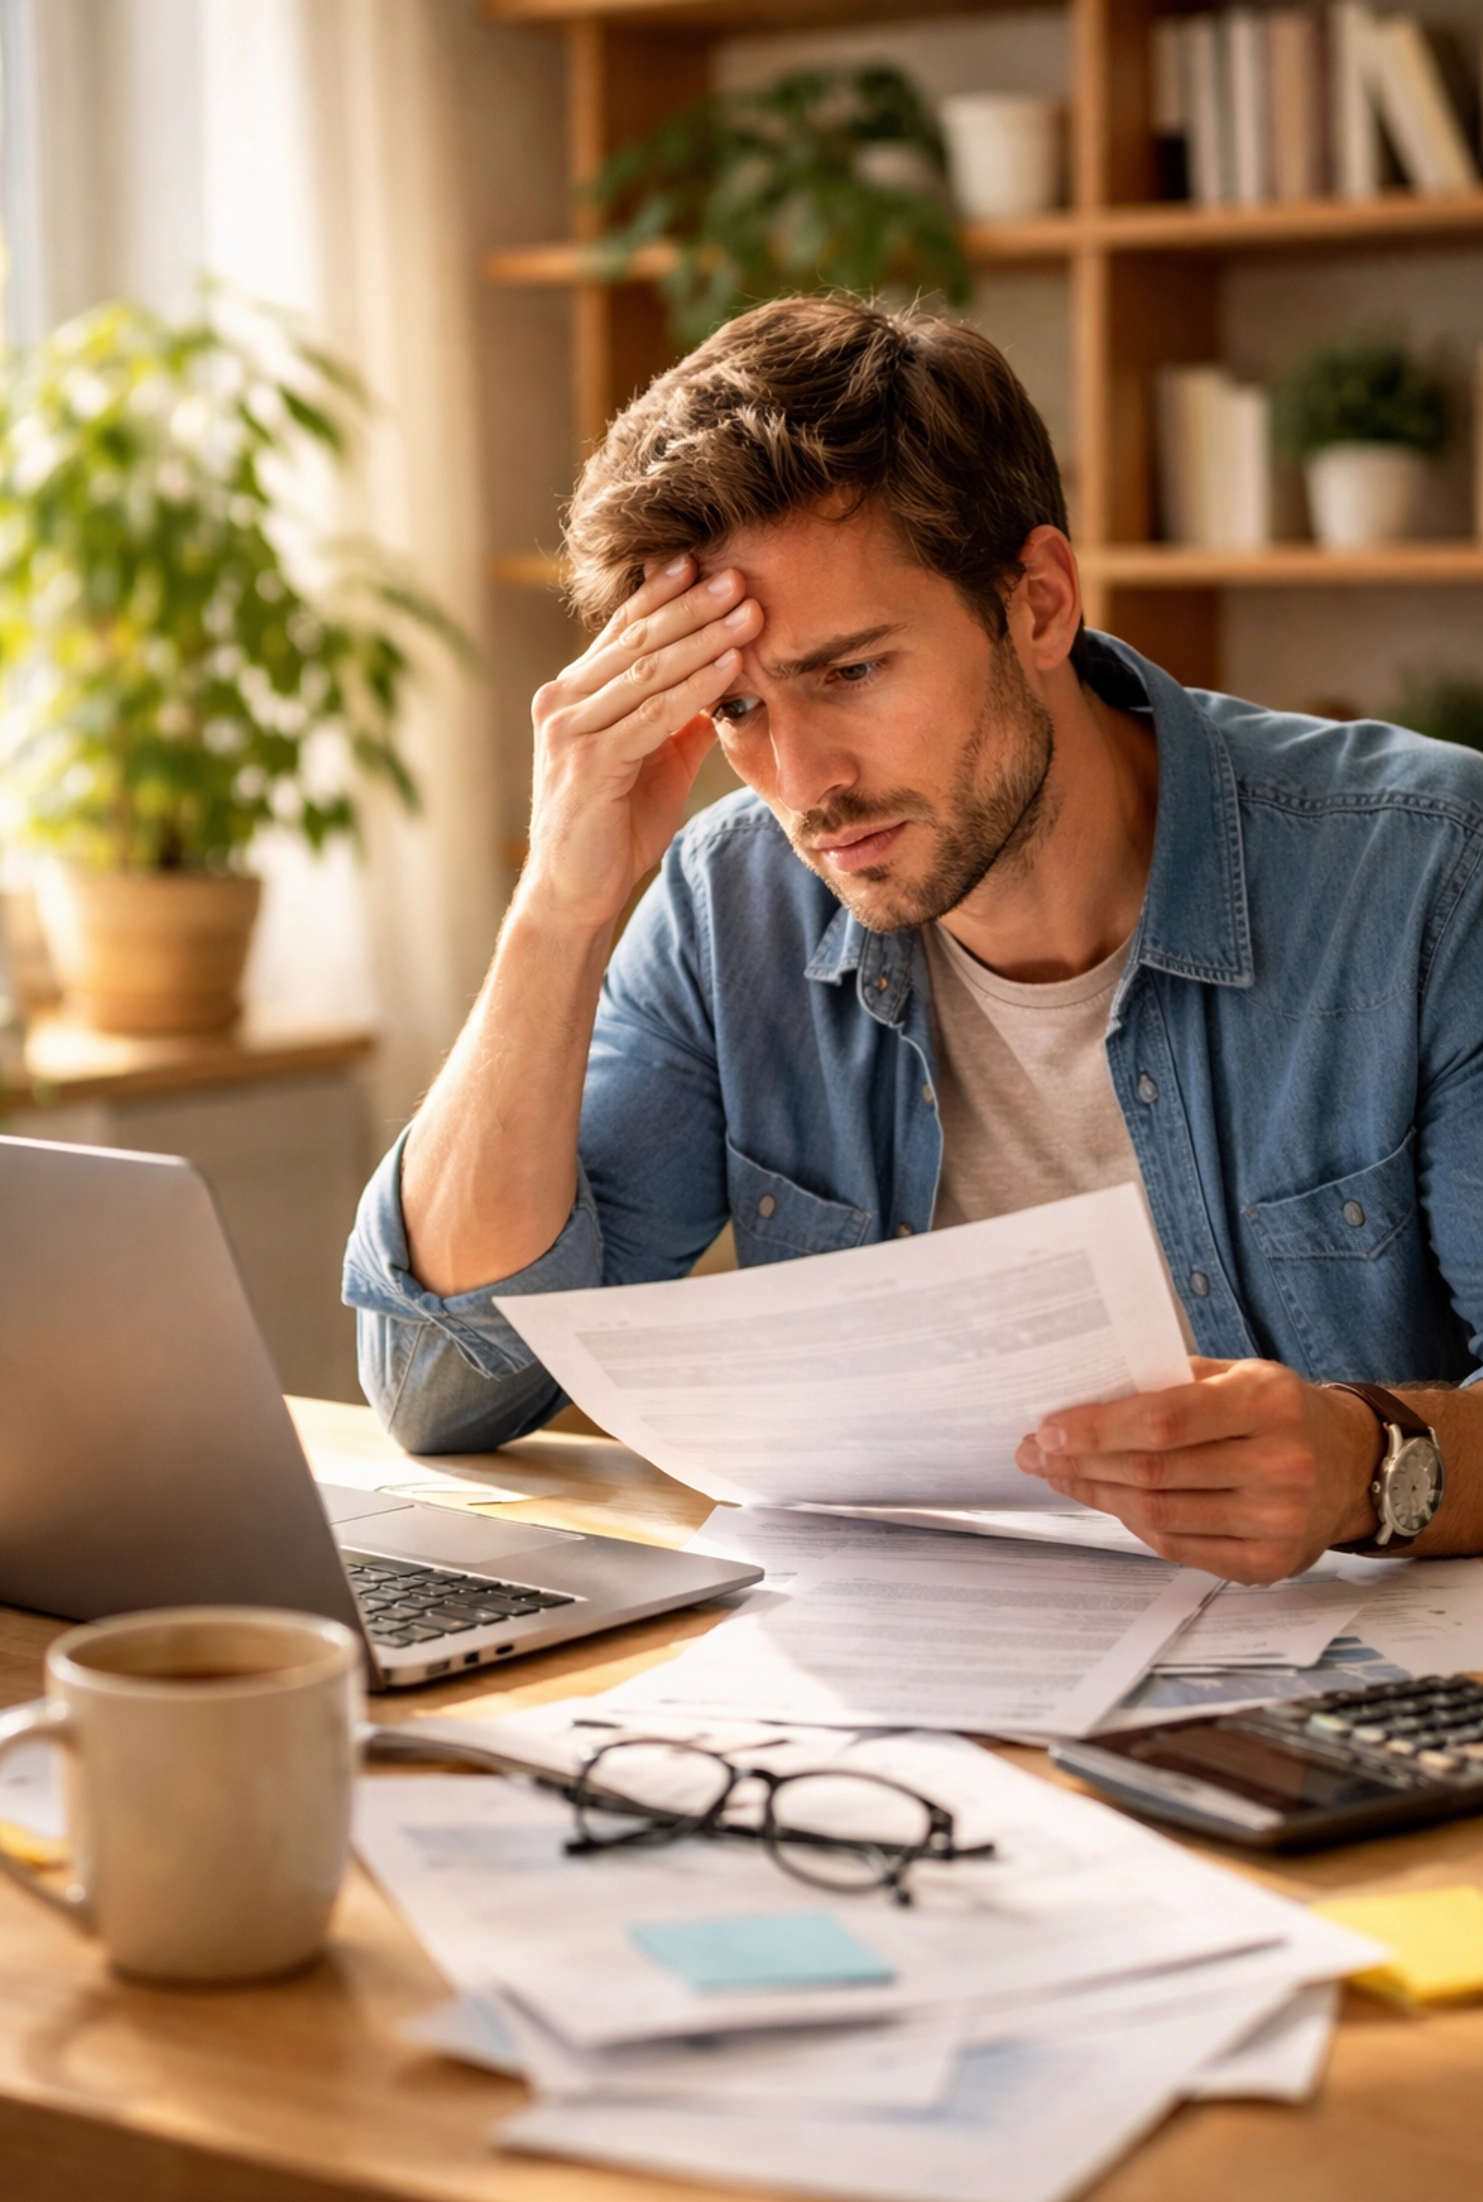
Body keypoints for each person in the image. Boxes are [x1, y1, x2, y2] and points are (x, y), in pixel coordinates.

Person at [344, 297, 1482, 1587]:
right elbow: (441, 1386)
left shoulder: (1429, 876)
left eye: (851, 673)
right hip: (909, 1713)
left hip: (1345, 1706)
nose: (802, 778)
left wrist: (1368, 1462)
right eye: (735, 706)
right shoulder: (734, 910)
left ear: (1038, 604)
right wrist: (560, 904)